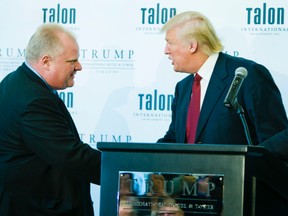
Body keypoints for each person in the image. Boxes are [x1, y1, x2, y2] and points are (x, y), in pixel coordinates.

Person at [0, 23, 101, 216]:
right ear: (46, 62)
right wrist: (122, 169)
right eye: (73, 61)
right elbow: (70, 156)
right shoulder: (33, 99)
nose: (79, 66)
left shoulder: (17, 82)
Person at [157, 11, 288, 158]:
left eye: (170, 42)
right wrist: (143, 158)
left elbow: (277, 140)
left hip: (239, 179)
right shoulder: (183, 88)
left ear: (192, 46)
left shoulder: (247, 75)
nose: (166, 51)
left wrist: (243, 167)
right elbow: (174, 140)